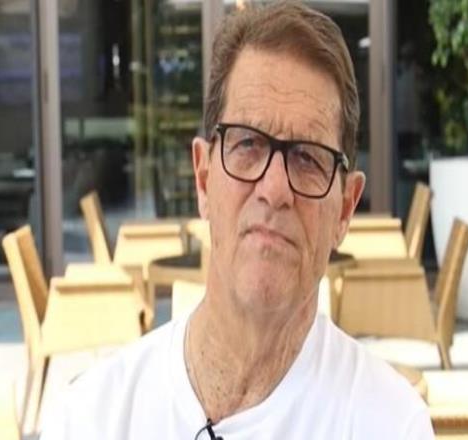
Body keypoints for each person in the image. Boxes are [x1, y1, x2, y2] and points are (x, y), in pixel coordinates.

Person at [41, 2, 434, 439]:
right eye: (248, 144)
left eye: (308, 158)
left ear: (344, 209)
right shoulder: (91, 417)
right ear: (203, 178)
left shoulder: (389, 424)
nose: (275, 189)